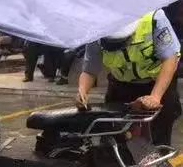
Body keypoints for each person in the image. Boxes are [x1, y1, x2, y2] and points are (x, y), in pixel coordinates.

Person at [77, 10, 181, 146]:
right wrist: (82, 91)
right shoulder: (96, 27)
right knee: (113, 133)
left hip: (156, 83)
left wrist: (155, 97)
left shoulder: (154, 19)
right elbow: (90, 67)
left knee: (158, 133)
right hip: (120, 85)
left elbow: (170, 58)